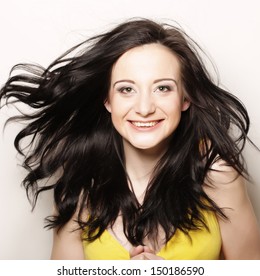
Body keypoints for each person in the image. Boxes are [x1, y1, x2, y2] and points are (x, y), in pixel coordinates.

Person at [0, 18, 260, 260]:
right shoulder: (79, 184)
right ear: (108, 100)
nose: (144, 107)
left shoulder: (217, 175)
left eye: (162, 88)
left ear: (185, 98)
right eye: (126, 89)